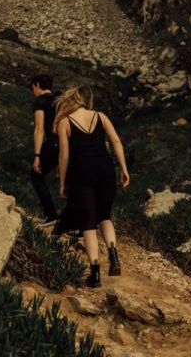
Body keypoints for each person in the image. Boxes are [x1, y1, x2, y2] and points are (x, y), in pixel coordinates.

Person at [53, 85, 130, 288]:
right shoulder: (101, 116)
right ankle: (114, 258)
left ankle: (95, 274)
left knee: (87, 222)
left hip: (81, 173)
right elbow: (116, 141)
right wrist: (124, 169)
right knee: (105, 215)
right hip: (105, 170)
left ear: (70, 101)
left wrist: (62, 181)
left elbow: (64, 156)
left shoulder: (64, 123)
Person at [29, 74, 59, 227]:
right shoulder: (58, 100)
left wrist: (37, 155)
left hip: (53, 143)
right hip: (67, 144)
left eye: (33, 86)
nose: (33, 89)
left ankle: (51, 215)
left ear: (38, 85)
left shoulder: (40, 102)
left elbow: (39, 129)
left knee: (36, 176)